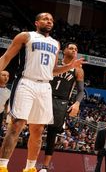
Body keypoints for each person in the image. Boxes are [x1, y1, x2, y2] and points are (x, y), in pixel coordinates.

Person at [0, 12, 84, 172]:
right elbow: (6, 57)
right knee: (17, 125)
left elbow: (52, 71)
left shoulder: (55, 44)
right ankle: (2, 165)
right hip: (26, 81)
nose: (49, 21)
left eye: (52, 20)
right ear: (37, 22)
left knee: (38, 129)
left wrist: (70, 66)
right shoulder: (25, 36)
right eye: (45, 19)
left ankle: (30, 168)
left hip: (45, 86)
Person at [39, 42, 85, 172]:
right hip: (45, 97)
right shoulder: (54, 63)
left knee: (52, 135)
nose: (74, 50)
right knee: (37, 129)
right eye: (71, 48)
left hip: (61, 102)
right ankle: (31, 162)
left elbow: (81, 91)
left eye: (76, 49)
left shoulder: (78, 69)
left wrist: (77, 103)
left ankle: (45, 167)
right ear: (64, 51)